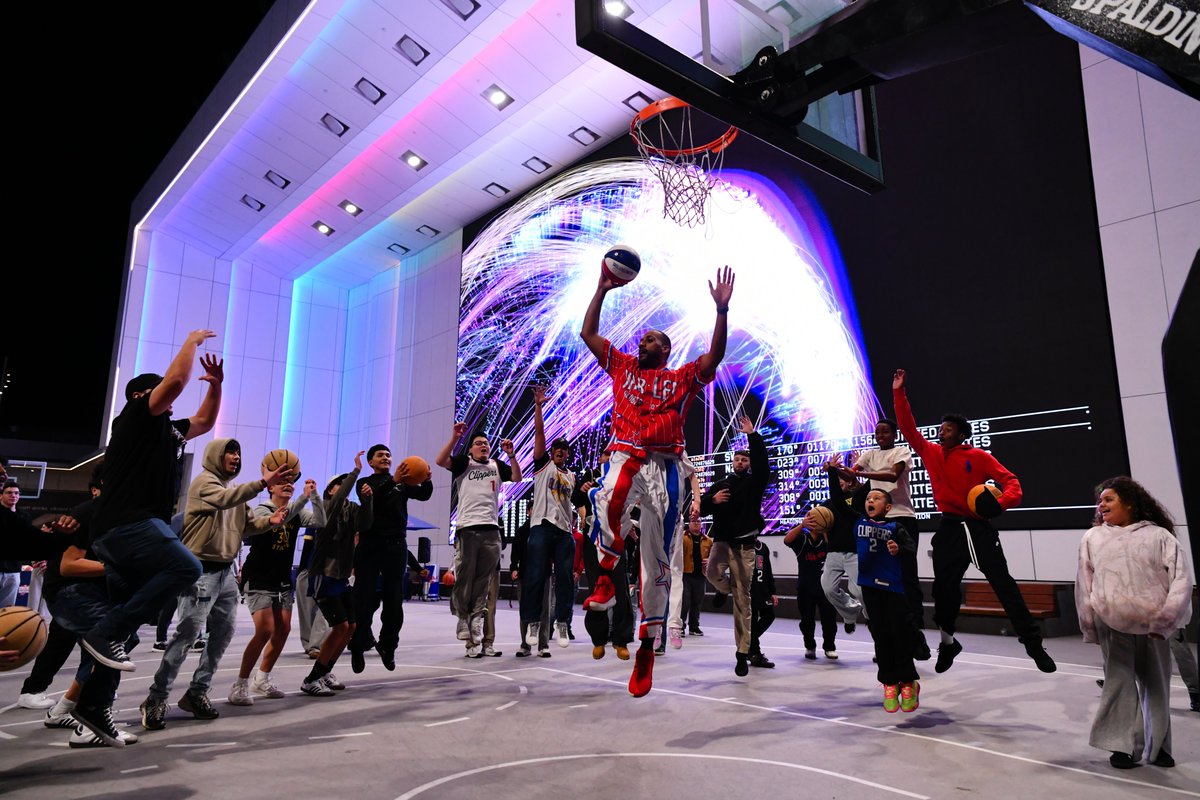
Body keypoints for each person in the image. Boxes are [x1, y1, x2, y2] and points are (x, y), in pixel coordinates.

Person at [580, 264, 735, 697]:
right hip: (627, 452)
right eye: (642, 337)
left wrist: (721, 312)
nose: (641, 341)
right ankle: (607, 573)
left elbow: (714, 357)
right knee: (606, 493)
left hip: (667, 466)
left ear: (664, 350)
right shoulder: (623, 367)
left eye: (651, 338)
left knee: (657, 564)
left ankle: (648, 644)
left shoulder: (680, 377)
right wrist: (601, 289)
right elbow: (589, 334)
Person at [892, 368, 1056, 674]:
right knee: (943, 592)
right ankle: (948, 643)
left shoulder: (979, 457)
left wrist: (997, 505)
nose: (941, 432)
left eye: (948, 429)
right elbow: (908, 427)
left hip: (978, 527)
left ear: (961, 434)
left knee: (1004, 586)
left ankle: (1034, 645)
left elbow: (1013, 484)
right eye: (940, 428)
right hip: (949, 527)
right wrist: (899, 392)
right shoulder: (930, 453)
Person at [81, 332, 223, 675]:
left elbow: (203, 422)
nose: (170, 399)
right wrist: (191, 341)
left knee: (122, 637)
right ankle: (105, 632)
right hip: (127, 522)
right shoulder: (134, 416)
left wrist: (215, 385)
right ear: (139, 395)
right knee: (187, 568)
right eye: (158, 391)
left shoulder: (168, 429)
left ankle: (85, 707)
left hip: (127, 529)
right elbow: (175, 382)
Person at [139, 439, 289, 731]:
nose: (235, 457)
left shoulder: (236, 493)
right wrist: (262, 483)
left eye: (238, 452)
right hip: (199, 570)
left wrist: (271, 520)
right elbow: (222, 500)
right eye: (230, 452)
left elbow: (248, 527)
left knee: (223, 634)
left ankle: (197, 693)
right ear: (215, 456)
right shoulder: (204, 484)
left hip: (225, 573)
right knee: (186, 635)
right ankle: (156, 698)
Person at [1077, 476, 1191, 770]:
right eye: (1100, 500)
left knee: (1157, 686)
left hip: (1153, 626)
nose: (1101, 504)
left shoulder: (1160, 537)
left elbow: (1180, 580)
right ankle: (1123, 747)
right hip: (1111, 624)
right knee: (1119, 685)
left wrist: (1166, 622)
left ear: (1129, 502)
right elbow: (1085, 584)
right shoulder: (1093, 538)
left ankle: (1160, 748)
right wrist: (1090, 624)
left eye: (1109, 499)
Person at [230, 474, 327, 706]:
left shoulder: (298, 509)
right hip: (260, 577)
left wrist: (314, 495)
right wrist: (302, 499)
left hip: (282, 578)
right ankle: (240, 685)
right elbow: (285, 517)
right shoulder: (261, 510)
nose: (288, 485)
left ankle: (261, 678)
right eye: (283, 482)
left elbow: (321, 521)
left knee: (282, 630)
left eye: (291, 483)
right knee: (264, 630)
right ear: (270, 487)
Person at [843, 419, 930, 660]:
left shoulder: (900, 451)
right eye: (877, 432)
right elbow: (851, 478)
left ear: (894, 434)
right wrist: (836, 469)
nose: (880, 435)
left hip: (902, 518)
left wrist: (859, 472)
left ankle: (916, 635)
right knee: (878, 579)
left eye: (885, 431)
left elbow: (893, 475)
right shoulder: (869, 454)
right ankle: (887, 640)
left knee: (907, 577)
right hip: (877, 521)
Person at [436, 424, 521, 657]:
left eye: (486, 443)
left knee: (483, 582)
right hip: (468, 528)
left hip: (491, 529)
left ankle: (475, 621)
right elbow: (441, 460)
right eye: (478, 443)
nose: (484, 445)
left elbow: (517, 476)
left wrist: (512, 454)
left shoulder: (496, 465)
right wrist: (455, 437)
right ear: (471, 449)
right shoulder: (465, 464)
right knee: (465, 579)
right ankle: (462, 618)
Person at [350, 444, 433, 673]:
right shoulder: (364, 483)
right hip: (370, 544)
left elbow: (424, 495)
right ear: (371, 462)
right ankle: (357, 646)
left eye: (388, 455)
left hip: (396, 546)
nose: (386, 457)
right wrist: (394, 479)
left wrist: (426, 480)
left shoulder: (403, 484)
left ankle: (388, 646)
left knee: (394, 600)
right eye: (380, 455)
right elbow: (373, 497)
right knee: (363, 599)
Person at [838, 483, 921, 713]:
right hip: (870, 588)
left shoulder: (896, 526)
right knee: (881, 635)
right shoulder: (859, 523)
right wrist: (834, 475)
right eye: (868, 498)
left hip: (893, 588)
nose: (870, 501)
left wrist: (899, 550)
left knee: (899, 634)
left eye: (876, 498)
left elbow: (911, 549)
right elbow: (839, 504)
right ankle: (889, 682)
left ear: (888, 507)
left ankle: (908, 681)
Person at [700, 415, 771, 676]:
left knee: (744, 602)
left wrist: (752, 435)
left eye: (745, 459)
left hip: (745, 548)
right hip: (722, 542)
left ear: (749, 462)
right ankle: (722, 589)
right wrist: (712, 501)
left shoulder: (754, 483)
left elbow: (763, 466)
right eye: (737, 459)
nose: (740, 462)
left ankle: (742, 653)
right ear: (733, 461)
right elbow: (700, 506)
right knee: (710, 573)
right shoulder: (721, 485)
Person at [301, 454, 372, 695]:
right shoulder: (325, 507)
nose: (345, 486)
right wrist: (355, 471)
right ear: (331, 489)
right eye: (340, 483)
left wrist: (368, 500)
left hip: (341, 578)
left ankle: (325, 670)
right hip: (324, 574)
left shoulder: (350, 510)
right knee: (340, 626)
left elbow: (366, 523)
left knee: (351, 627)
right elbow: (342, 495)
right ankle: (311, 678)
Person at [520, 386, 577, 650]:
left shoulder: (572, 477)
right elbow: (540, 434)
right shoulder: (543, 467)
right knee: (535, 576)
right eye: (557, 448)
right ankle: (533, 622)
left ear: (568, 454)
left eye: (564, 450)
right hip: (542, 526)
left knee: (565, 577)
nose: (561, 452)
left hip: (564, 531)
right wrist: (539, 406)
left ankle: (562, 622)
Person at [783, 512, 839, 660]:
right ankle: (810, 646)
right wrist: (802, 525)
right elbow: (787, 540)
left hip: (825, 588)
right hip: (805, 588)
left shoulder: (827, 541)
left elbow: (833, 549)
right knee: (807, 622)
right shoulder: (802, 540)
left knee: (829, 621)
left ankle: (829, 647)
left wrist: (826, 528)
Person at [511, 518, 551, 657]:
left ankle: (543, 646)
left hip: (543, 575)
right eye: (533, 509)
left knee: (544, 610)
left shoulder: (546, 530)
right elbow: (515, 551)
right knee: (524, 609)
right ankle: (525, 646)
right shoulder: (522, 531)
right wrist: (513, 567)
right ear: (528, 512)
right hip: (525, 575)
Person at [678, 517, 711, 638]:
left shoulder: (707, 540)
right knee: (684, 603)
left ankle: (694, 627)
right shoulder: (682, 537)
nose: (696, 524)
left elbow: (713, 555)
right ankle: (680, 627)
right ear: (689, 524)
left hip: (701, 575)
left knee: (697, 602)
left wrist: (710, 560)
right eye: (694, 522)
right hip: (685, 574)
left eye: (698, 522)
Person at [748, 538, 778, 669]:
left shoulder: (763, 547)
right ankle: (755, 654)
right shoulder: (743, 546)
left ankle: (749, 644)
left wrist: (772, 591)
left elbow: (768, 570)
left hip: (763, 590)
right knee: (752, 621)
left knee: (769, 616)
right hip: (749, 591)